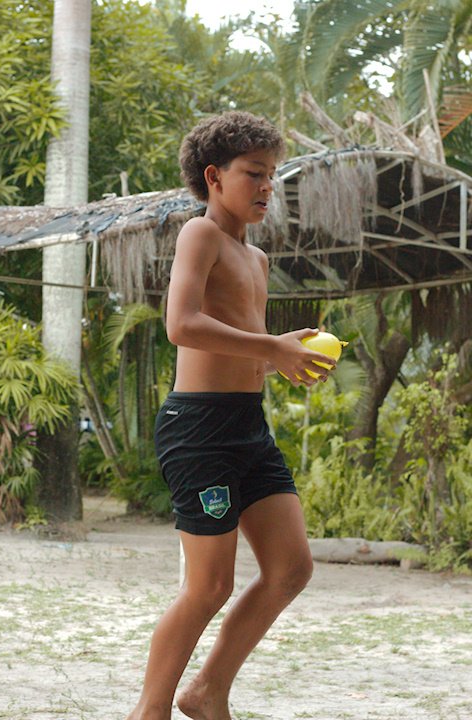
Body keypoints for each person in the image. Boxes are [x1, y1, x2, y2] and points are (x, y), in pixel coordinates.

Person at [127, 110, 335, 720]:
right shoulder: (201, 235)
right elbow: (181, 325)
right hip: (199, 429)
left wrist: (281, 356)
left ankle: (207, 690)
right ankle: (149, 712)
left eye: (272, 175)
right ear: (214, 177)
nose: (267, 186)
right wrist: (271, 346)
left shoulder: (257, 258)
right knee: (210, 585)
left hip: (249, 425)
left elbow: (236, 347)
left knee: (291, 568)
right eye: (254, 173)